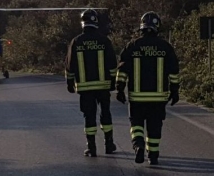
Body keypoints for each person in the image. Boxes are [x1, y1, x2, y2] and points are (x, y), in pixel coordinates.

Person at [115, 12, 180, 166]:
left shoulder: (133, 46)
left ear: (142, 27)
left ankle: (138, 145)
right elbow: (174, 71)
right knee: (155, 126)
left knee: (136, 124)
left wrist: (119, 88)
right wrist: (175, 90)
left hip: (137, 97)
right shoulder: (165, 47)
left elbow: (122, 70)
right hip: (158, 97)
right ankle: (153, 155)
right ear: (157, 27)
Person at [66, 9, 118, 157]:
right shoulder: (104, 41)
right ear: (96, 22)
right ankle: (109, 144)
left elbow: (70, 65)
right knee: (106, 114)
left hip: (85, 88)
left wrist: (70, 83)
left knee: (89, 116)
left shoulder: (76, 41)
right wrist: (113, 82)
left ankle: (91, 147)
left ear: (82, 23)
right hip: (103, 87)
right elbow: (112, 65)